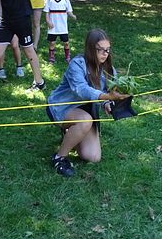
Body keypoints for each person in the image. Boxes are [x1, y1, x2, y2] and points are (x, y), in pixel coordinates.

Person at [46, 29, 127, 177]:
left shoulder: (109, 70)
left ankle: (70, 134)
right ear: (90, 49)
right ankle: (59, 158)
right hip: (63, 107)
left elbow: (105, 94)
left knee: (93, 156)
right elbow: (81, 89)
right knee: (85, 121)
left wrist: (107, 103)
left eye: (107, 50)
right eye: (100, 50)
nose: (105, 54)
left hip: (87, 110)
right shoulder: (77, 64)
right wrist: (105, 96)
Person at [44, 0, 76, 64]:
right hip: (53, 26)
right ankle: (51, 57)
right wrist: (48, 21)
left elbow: (69, 11)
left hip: (63, 26)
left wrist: (72, 15)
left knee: (66, 43)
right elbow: (46, 12)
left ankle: (67, 56)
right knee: (52, 43)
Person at [0, 0, 24, 81]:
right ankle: (1, 69)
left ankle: (19, 66)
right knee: (1, 47)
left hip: (14, 21)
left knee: (15, 45)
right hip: (1, 22)